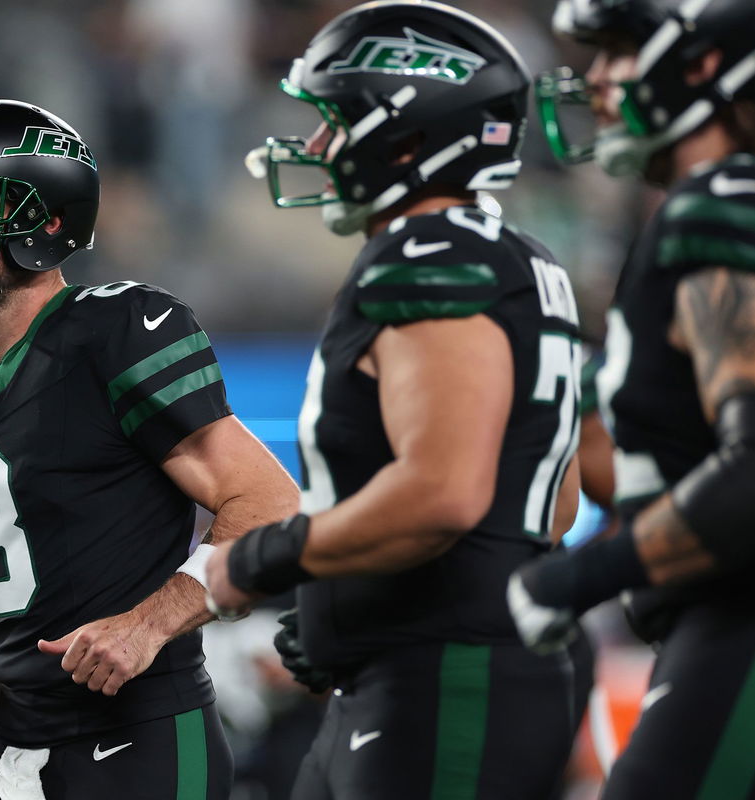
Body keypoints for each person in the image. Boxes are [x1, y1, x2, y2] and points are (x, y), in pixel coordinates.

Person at [0, 99, 299, 800]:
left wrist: (146, 626)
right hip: (18, 743)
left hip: (141, 737)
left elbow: (271, 505)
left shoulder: (117, 332)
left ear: (49, 216)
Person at [204, 3, 593, 798]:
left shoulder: (430, 257)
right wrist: (354, 607)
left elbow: (443, 495)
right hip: (441, 662)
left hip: (449, 672)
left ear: (410, 137)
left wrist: (255, 559)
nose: (315, 146)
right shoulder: (516, 255)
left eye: (336, 120)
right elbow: (548, 507)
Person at [506, 0, 755, 796]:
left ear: (706, 63)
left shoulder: (730, 205)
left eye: (621, 52)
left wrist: (575, 580)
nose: (599, 79)